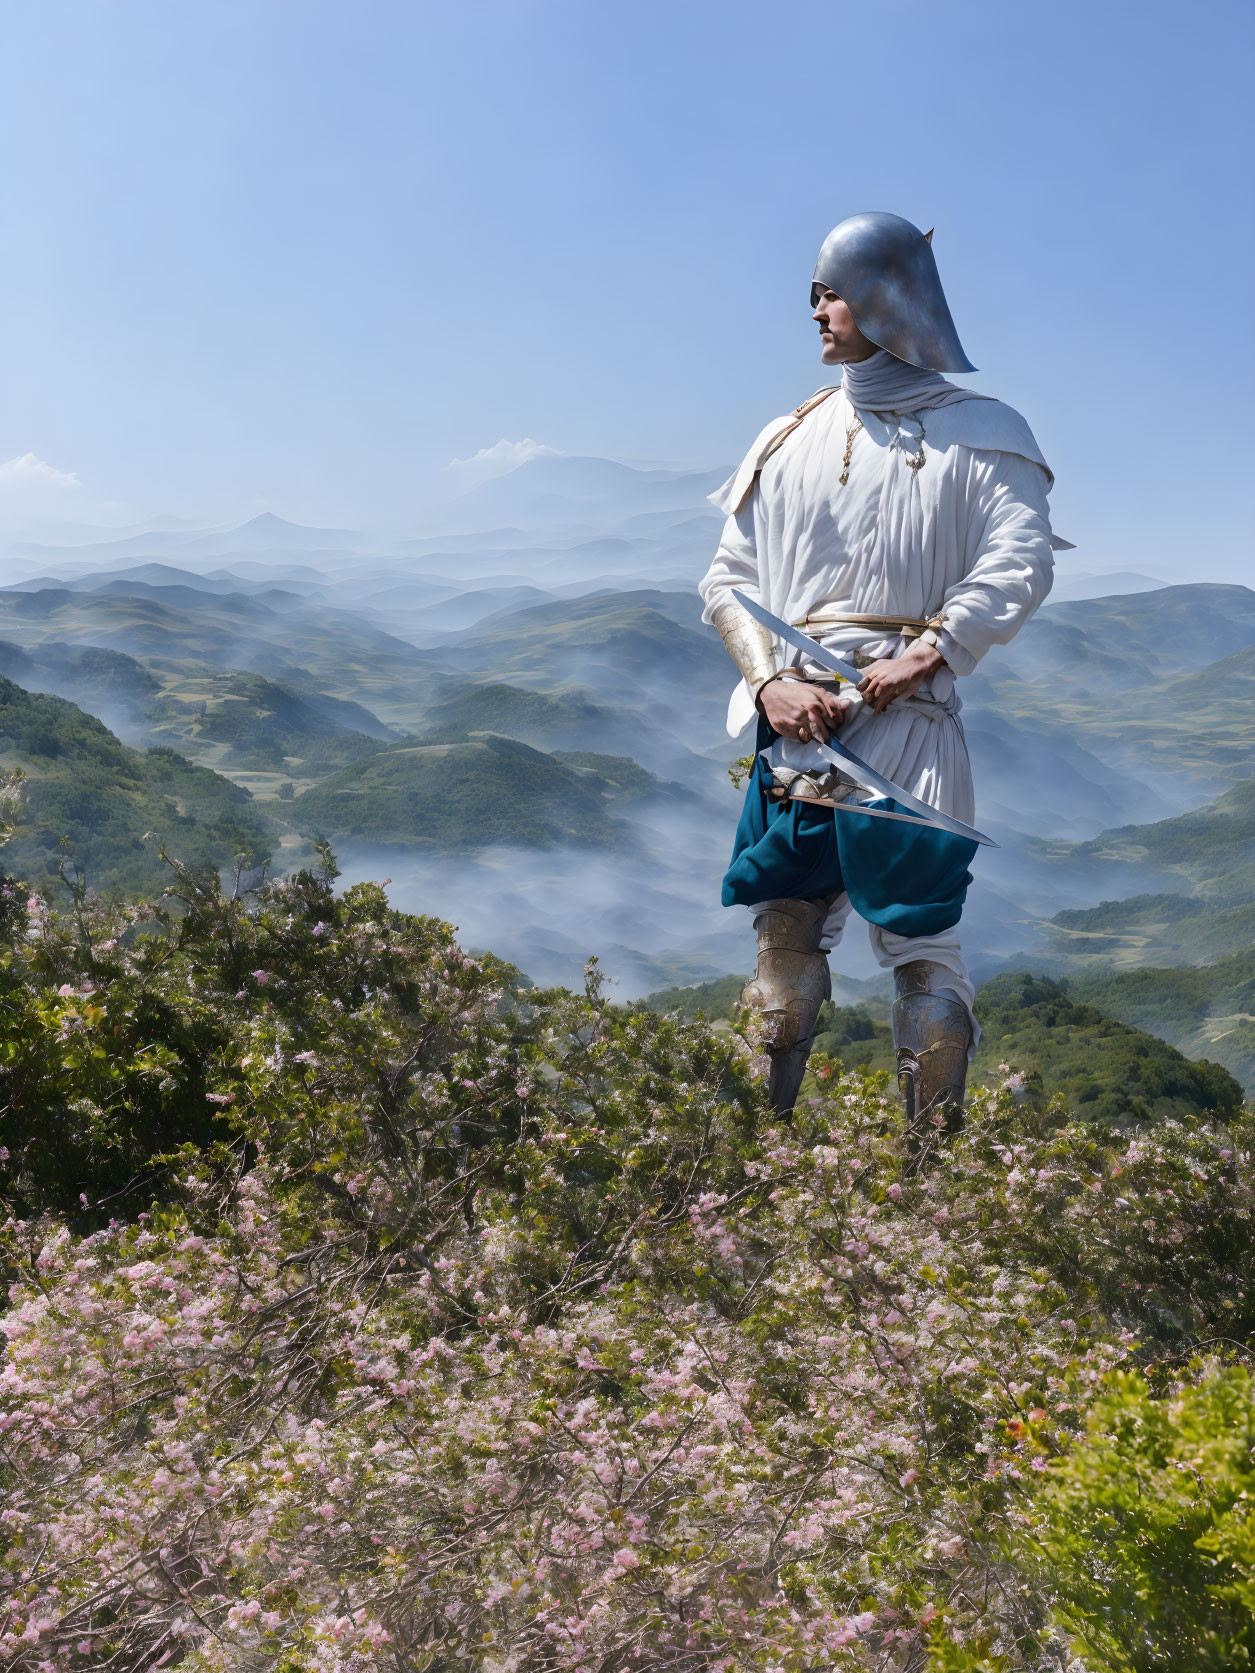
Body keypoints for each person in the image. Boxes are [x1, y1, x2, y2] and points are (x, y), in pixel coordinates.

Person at [699, 211, 1066, 1126]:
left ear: (879, 299)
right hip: (795, 725)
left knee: (919, 943)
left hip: (908, 727)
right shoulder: (784, 437)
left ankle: (927, 1175)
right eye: (816, 293)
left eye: (829, 292)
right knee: (783, 938)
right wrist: (766, 683)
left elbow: (1020, 560)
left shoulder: (982, 431)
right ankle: (762, 1154)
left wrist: (931, 650)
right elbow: (726, 580)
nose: (816, 310)